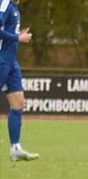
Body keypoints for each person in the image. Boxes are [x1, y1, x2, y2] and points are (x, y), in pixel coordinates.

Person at [0, 0, 39, 161]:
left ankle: (16, 148)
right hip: (1, 60)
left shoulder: (15, 7)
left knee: (19, 103)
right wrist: (18, 37)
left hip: (11, 62)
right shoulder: (5, 3)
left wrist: (17, 34)